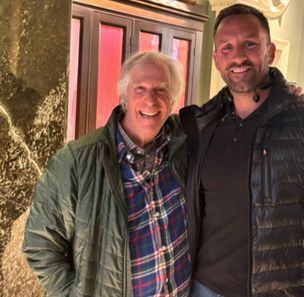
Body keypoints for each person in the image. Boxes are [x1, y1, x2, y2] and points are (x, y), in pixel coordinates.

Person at [180, 4, 304, 297]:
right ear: (216, 59)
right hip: (202, 288)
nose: (239, 56)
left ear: (270, 52)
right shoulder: (201, 124)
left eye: (250, 44)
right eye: (227, 47)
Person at [23, 51, 191, 297]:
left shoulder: (183, 147)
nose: (150, 100)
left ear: (174, 99)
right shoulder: (76, 161)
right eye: (140, 88)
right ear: (124, 96)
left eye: (161, 90)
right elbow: (40, 244)